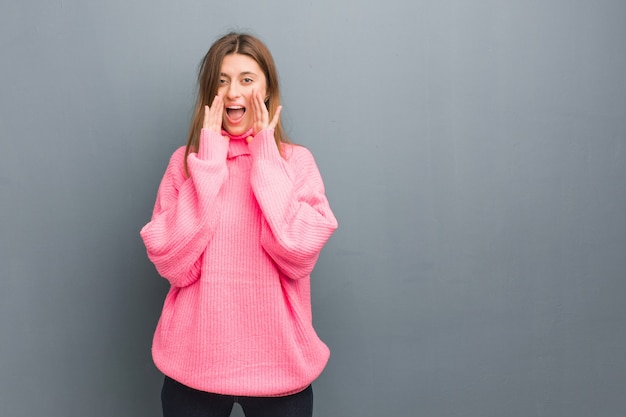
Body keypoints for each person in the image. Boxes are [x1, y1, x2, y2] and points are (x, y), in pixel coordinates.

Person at [140, 32, 338, 417]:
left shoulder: (296, 163)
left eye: (247, 79)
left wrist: (265, 156)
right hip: (193, 366)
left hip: (279, 366)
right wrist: (210, 164)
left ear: (266, 90)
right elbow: (175, 265)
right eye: (222, 79)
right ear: (208, 92)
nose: (233, 92)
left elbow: (296, 254)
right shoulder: (185, 163)